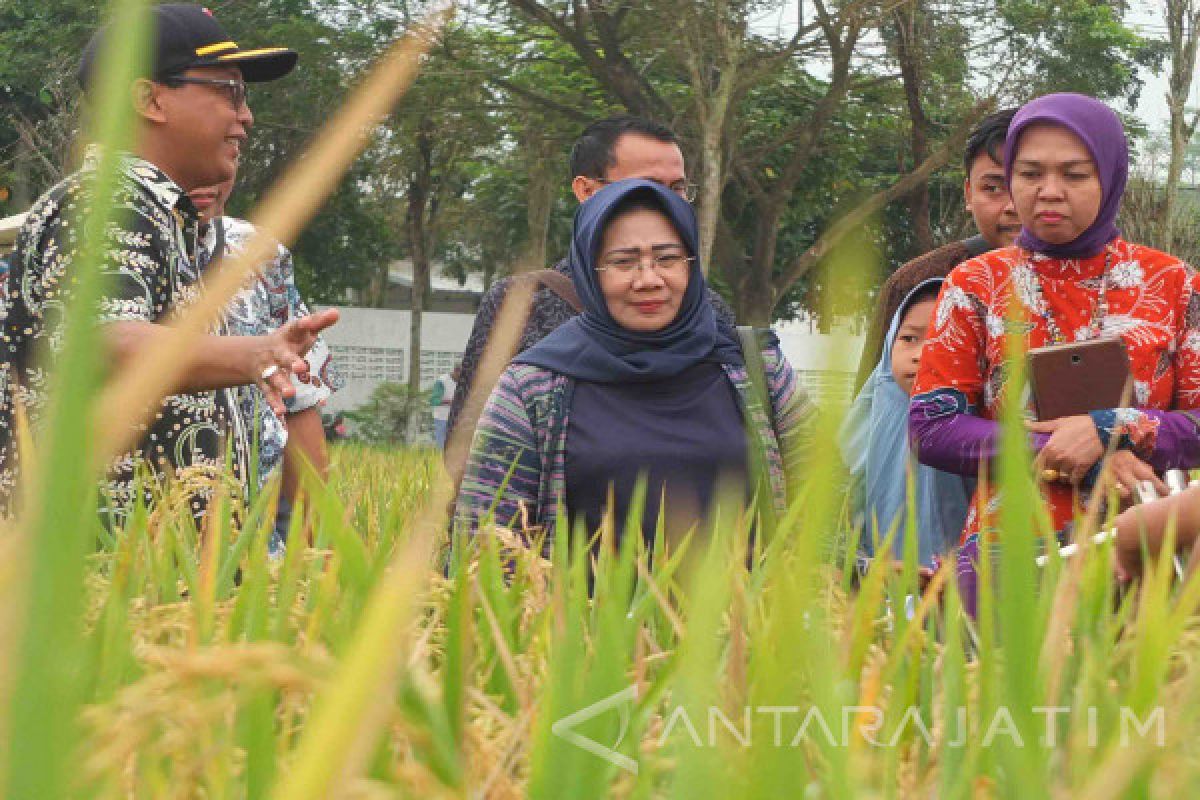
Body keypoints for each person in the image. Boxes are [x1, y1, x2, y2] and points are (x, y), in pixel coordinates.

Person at [0, 4, 336, 519]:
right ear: (149, 99)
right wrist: (255, 354)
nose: (245, 116)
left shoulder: (166, 218)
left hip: (158, 571)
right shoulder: (105, 202)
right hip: (98, 573)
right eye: (230, 92)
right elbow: (106, 339)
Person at [908, 93, 1200, 612]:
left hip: (1152, 549)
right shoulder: (975, 284)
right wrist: (1070, 453)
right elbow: (932, 427)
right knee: (1003, 687)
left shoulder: (1175, 286)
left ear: (1110, 177)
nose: (1049, 192)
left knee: (1142, 686)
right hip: (1010, 555)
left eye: (1074, 175)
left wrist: (1113, 429)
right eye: (1029, 173)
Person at [454, 179, 812, 550]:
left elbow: (828, 493)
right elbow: (486, 536)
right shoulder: (531, 388)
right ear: (589, 271)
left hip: (747, 608)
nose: (648, 280)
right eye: (623, 262)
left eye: (667, 258)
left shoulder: (756, 367)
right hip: (581, 608)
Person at [445, 116, 738, 455]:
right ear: (586, 191)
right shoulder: (522, 304)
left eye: (678, 189)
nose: (667, 203)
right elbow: (467, 451)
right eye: (648, 187)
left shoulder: (708, 310)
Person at [189, 171, 343, 548]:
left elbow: (299, 401)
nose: (205, 178)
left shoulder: (259, 252)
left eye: (227, 149)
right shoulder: (108, 244)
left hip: (249, 542)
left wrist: (307, 551)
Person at [854, 109, 1019, 390]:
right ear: (969, 194)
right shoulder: (916, 281)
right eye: (993, 188)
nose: (1013, 206)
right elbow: (874, 404)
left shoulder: (1115, 279)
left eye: (1031, 182)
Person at [841, 278, 971, 571]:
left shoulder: (988, 422)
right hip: (880, 603)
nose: (920, 354)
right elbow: (835, 520)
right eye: (909, 338)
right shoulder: (865, 424)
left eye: (941, 337)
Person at [429, 364, 460, 449]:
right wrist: (449, 402)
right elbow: (433, 400)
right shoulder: (442, 381)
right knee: (441, 446)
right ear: (456, 371)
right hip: (442, 418)